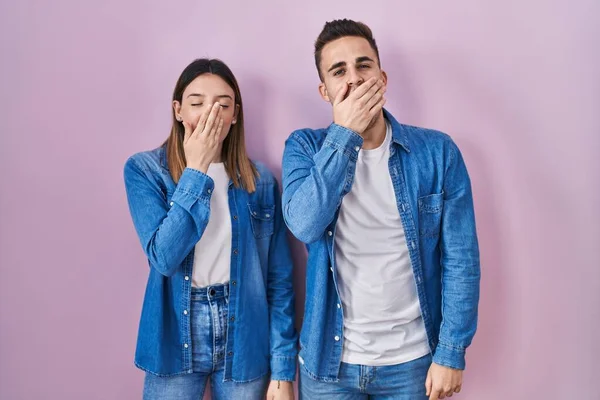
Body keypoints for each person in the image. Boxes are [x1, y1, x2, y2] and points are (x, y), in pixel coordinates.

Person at [281, 20, 480, 400]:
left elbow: (461, 260)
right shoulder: (304, 148)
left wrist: (452, 353)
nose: (354, 79)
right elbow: (304, 224)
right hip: (329, 365)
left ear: (383, 77)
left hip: (413, 363)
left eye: (363, 65)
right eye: (339, 72)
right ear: (325, 91)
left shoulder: (437, 153)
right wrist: (344, 135)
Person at [124, 58, 297, 400]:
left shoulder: (259, 182)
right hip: (174, 333)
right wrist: (197, 169)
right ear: (178, 110)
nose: (210, 113)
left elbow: (279, 281)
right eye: (197, 103)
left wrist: (282, 369)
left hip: (244, 333)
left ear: (235, 114)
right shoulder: (144, 171)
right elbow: (163, 256)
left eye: (223, 104)